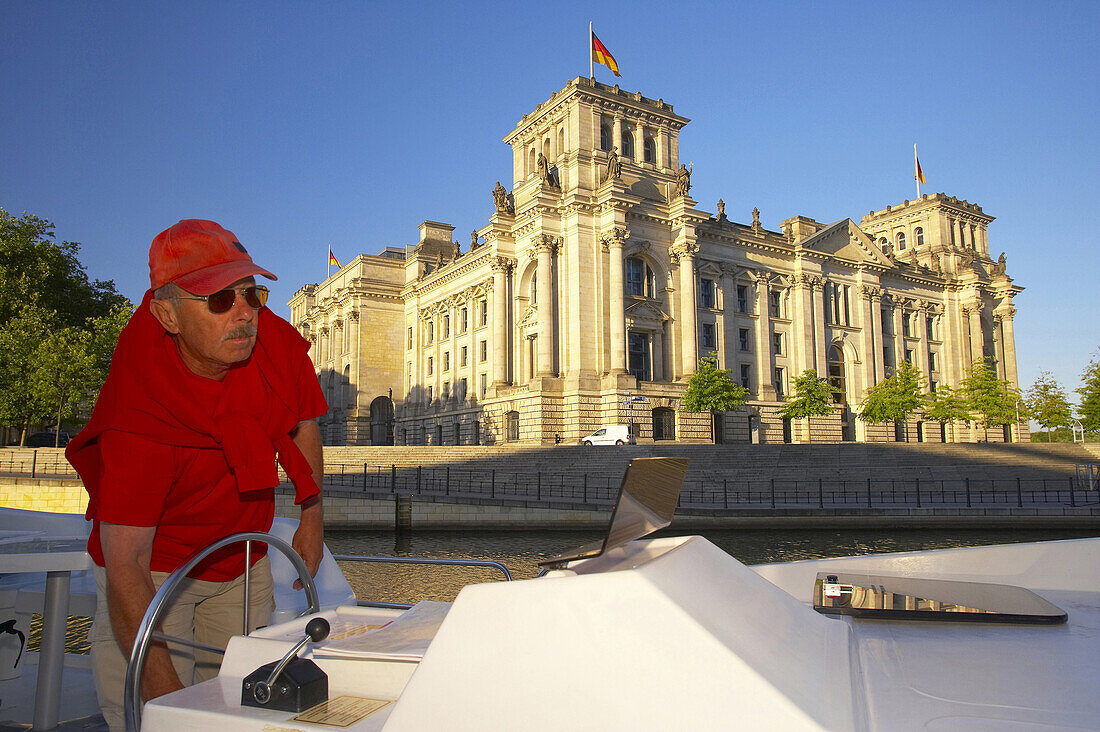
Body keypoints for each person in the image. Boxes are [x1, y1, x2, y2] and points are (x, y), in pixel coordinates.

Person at [66, 219, 326, 730]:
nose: (245, 314)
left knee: (249, 706)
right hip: (155, 569)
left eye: (251, 293)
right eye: (218, 300)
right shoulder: (137, 412)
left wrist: (313, 519)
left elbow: (304, 425)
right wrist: (169, 703)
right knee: (156, 711)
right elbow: (127, 564)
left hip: (240, 560)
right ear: (167, 314)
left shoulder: (277, 342)